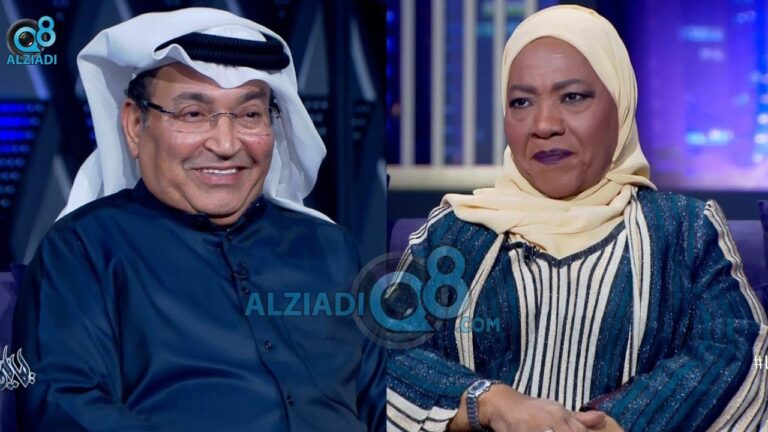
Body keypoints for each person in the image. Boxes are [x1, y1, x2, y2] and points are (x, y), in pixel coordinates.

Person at [386, 5, 768, 432]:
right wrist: (489, 402)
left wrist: (621, 421)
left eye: (572, 97)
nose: (544, 124)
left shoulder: (684, 230)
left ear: (620, 104)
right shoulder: (455, 232)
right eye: (521, 102)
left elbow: (741, 349)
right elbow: (385, 350)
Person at [12, 8, 384, 431]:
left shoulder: (331, 248)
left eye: (249, 115)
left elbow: (387, 402)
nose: (225, 144)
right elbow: (65, 405)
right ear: (134, 125)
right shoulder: (83, 250)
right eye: (193, 114)